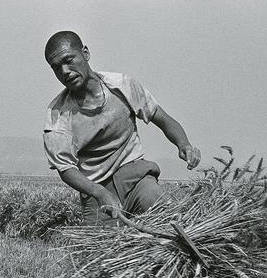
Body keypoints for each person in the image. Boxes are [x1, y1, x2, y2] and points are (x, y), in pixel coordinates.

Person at [42, 31, 202, 225]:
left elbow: (161, 118)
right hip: (97, 193)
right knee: (104, 254)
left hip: (137, 179)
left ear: (85, 53)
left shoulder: (122, 86)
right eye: (56, 68)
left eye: (69, 60)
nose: (65, 71)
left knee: (169, 222)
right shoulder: (57, 115)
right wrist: (99, 193)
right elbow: (65, 168)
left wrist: (184, 144)